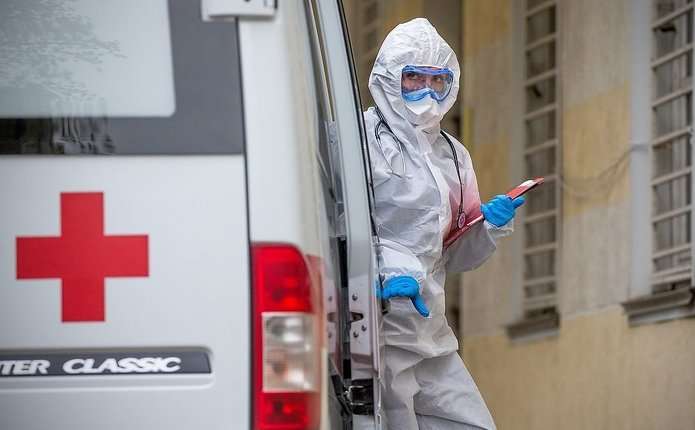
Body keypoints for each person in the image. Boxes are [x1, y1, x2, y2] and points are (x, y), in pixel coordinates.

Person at [365, 18, 525, 430]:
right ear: (389, 78)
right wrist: (384, 270)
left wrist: (487, 226)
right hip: (377, 331)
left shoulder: (453, 154)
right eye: (414, 78)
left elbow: (453, 254)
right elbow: (338, 226)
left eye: (437, 80)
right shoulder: (360, 141)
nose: (427, 91)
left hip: (432, 333)